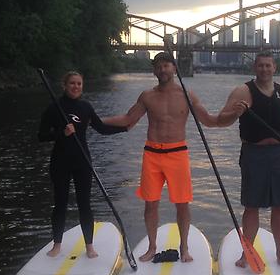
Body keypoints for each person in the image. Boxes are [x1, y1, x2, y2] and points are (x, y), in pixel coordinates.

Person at [116, 51, 222, 263]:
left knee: (182, 204)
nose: (162, 69)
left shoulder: (187, 95)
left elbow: (209, 120)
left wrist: (233, 114)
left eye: (166, 65)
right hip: (152, 153)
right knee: (150, 203)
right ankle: (152, 247)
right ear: (154, 71)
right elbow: (128, 119)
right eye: (158, 66)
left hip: (177, 153)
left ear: (174, 68)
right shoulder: (147, 96)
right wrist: (92, 120)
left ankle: (184, 248)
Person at [217, 51, 280, 268]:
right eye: (261, 66)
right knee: (252, 206)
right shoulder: (242, 91)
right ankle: (246, 254)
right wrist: (236, 113)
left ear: (274, 68)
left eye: (268, 66)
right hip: (254, 154)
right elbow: (222, 119)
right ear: (255, 68)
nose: (264, 69)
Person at [38, 71, 128, 258]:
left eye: (79, 83)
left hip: (82, 161)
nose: (76, 87)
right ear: (64, 85)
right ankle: (57, 245)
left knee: (84, 204)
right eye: (72, 83)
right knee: (60, 203)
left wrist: (124, 128)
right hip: (60, 162)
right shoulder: (54, 107)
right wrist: (61, 133)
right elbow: (41, 136)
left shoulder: (85, 107)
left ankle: (89, 246)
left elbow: (101, 128)